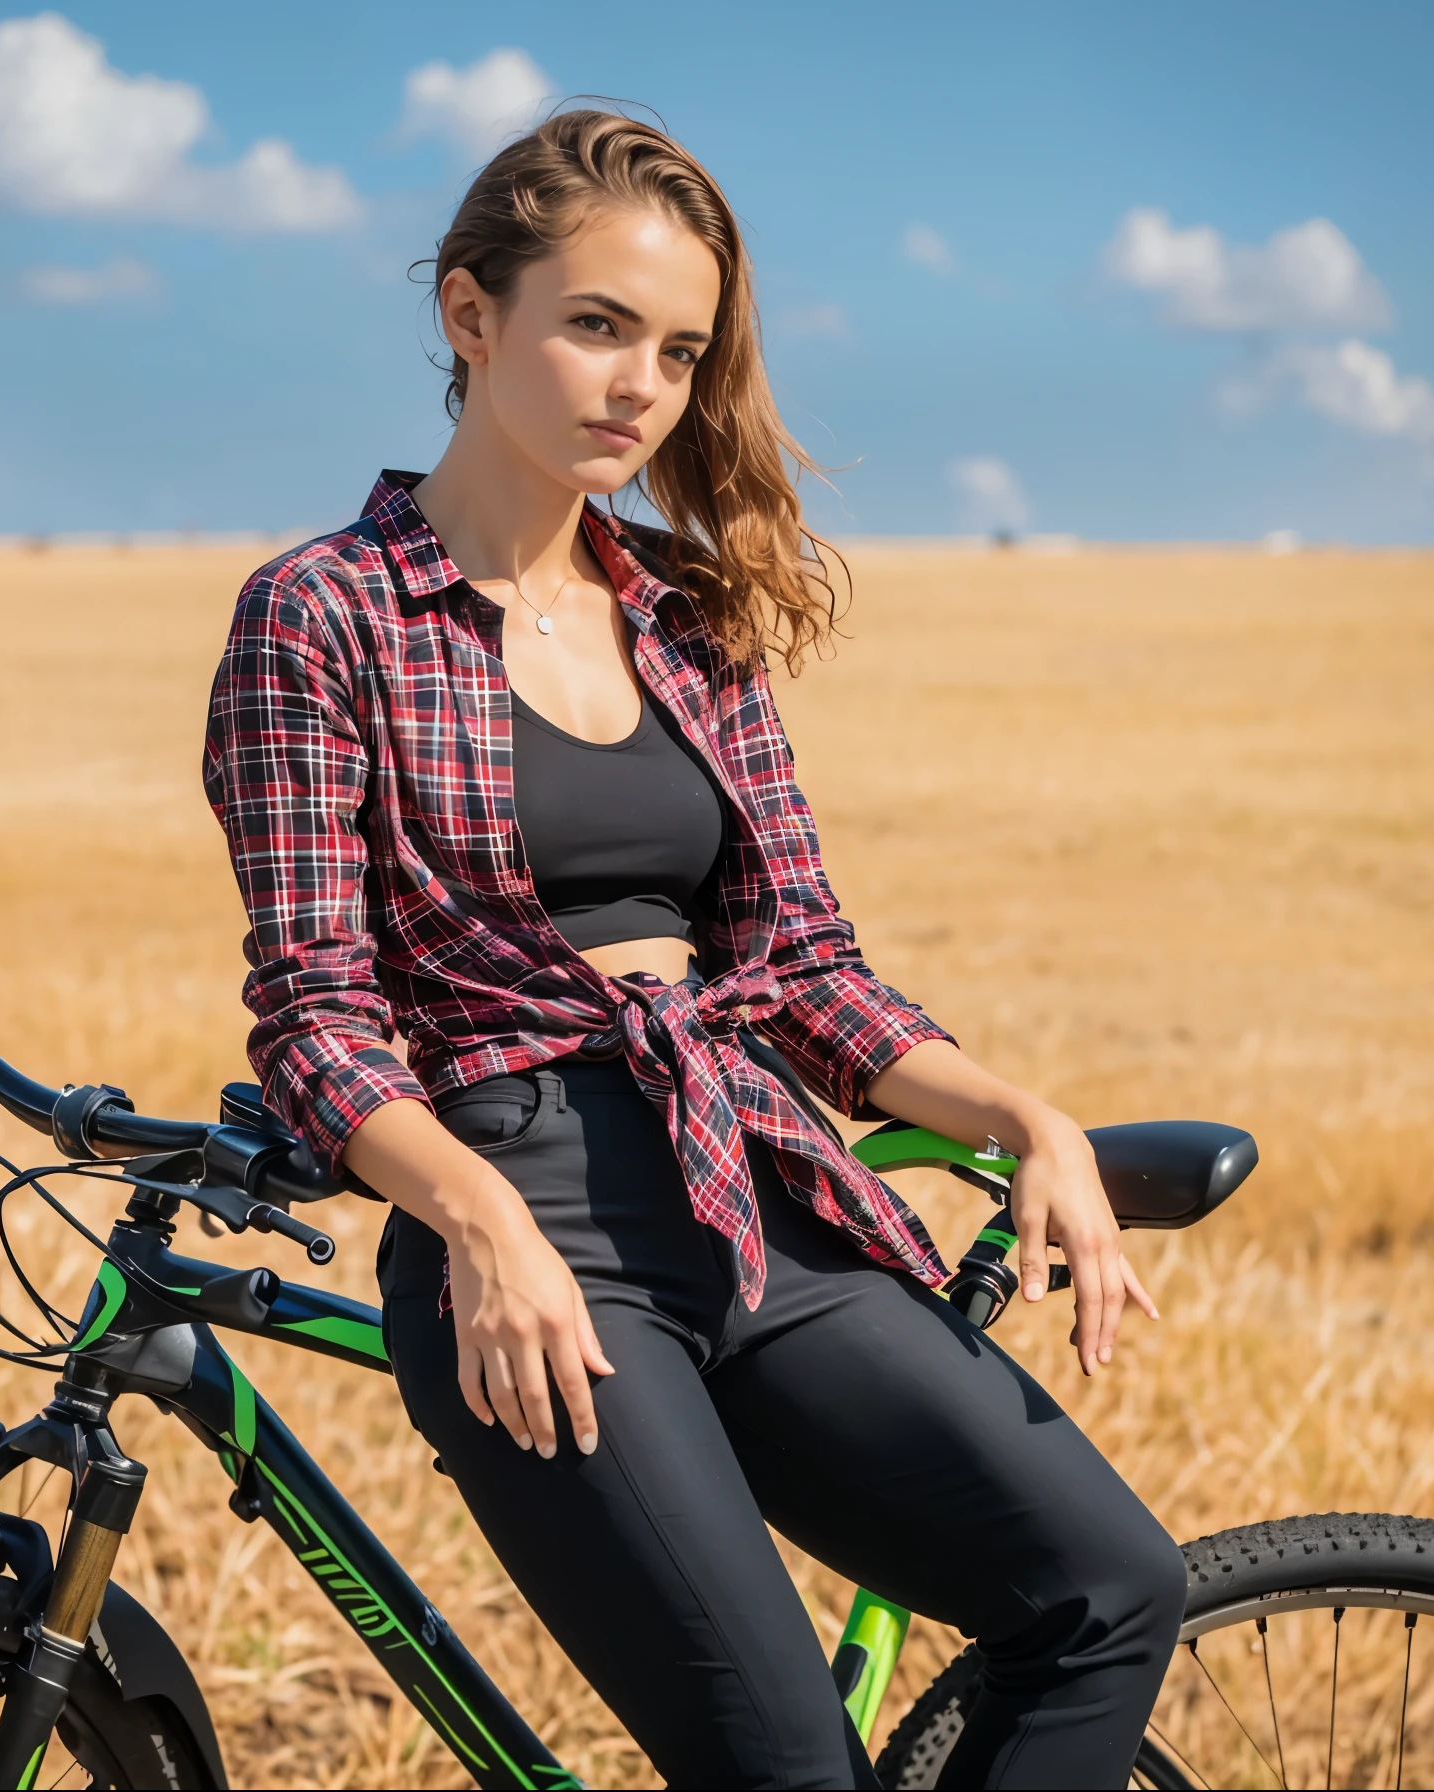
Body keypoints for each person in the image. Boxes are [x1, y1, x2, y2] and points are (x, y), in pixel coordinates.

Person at [202, 109, 1184, 1791]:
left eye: (677, 349)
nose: (639, 385)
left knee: (1110, 1587)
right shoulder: (325, 613)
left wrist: (1025, 1118)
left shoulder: (690, 612)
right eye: (595, 325)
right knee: (787, 1769)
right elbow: (314, 1011)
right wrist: (480, 1223)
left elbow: (803, 965)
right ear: (469, 316)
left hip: (758, 1186)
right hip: (528, 1213)